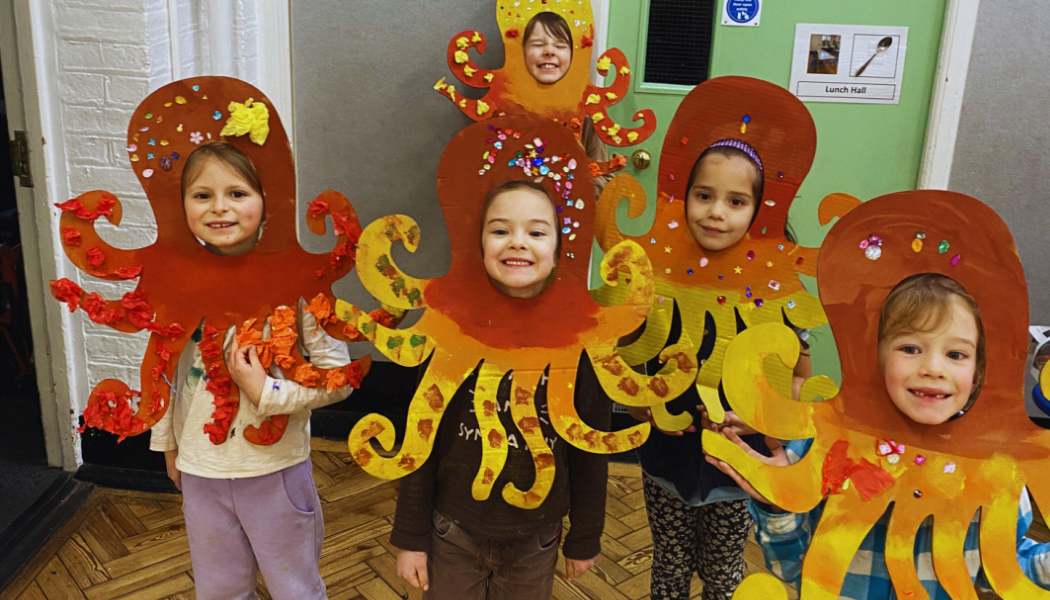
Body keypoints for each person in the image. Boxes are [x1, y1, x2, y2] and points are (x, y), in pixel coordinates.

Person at [709, 273, 1050, 598]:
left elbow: (1004, 568)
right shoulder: (828, 447)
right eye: (910, 349)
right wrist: (777, 505)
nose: (933, 367)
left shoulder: (998, 471)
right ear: (877, 359)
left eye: (956, 354)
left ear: (977, 375)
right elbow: (793, 570)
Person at [151, 141, 358, 600]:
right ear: (181, 205)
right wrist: (167, 443)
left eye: (237, 193)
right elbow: (164, 370)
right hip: (200, 469)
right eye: (202, 195)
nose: (219, 207)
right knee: (219, 588)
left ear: (267, 202)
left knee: (294, 587)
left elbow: (339, 377)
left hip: (273, 470)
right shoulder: (178, 284)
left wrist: (268, 390)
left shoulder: (298, 287)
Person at [393, 180, 608, 599]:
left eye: (536, 232)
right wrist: (410, 536)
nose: (518, 243)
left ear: (559, 250)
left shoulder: (580, 343)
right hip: (452, 528)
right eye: (500, 230)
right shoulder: (449, 333)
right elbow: (420, 439)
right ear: (479, 245)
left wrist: (586, 535)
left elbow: (590, 448)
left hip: (536, 537)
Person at [626, 139, 812, 600]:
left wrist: (764, 419)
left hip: (737, 460)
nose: (716, 212)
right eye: (704, 195)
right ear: (683, 197)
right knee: (669, 563)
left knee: (724, 569)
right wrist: (638, 408)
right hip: (666, 456)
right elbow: (628, 360)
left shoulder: (776, 289)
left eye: (736, 201)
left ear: (758, 211)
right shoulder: (660, 275)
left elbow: (800, 378)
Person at [522, 11, 614, 196]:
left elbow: (604, 176)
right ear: (522, 51)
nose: (549, 51)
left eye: (560, 45)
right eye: (538, 44)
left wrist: (567, 186)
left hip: (571, 215)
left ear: (572, 53)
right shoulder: (507, 108)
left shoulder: (587, 111)